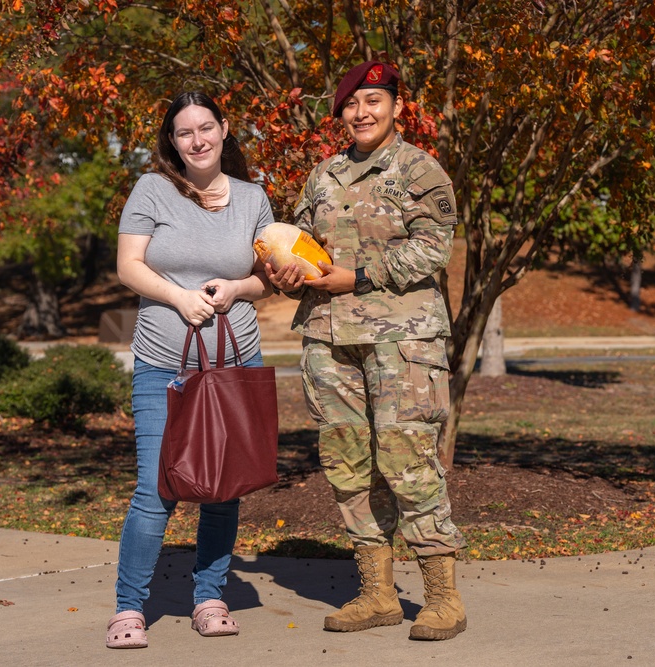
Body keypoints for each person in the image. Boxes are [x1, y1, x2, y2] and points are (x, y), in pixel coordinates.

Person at [266, 61, 467, 641]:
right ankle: (377, 593)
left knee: (408, 463)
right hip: (329, 340)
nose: (362, 113)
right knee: (347, 463)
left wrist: (356, 276)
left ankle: (441, 598)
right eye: (352, 105)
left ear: (397, 108)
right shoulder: (322, 174)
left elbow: (432, 251)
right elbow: (302, 244)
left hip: (402, 343)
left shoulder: (420, 171)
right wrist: (286, 272)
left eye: (374, 101)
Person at [107, 91, 274, 649]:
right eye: (185, 133)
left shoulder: (253, 198)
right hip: (163, 365)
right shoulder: (152, 189)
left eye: (206, 128)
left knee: (224, 490)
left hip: (237, 362)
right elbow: (129, 266)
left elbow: (267, 278)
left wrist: (236, 288)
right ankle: (129, 609)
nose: (197, 140)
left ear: (225, 130)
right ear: (173, 142)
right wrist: (180, 299)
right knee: (156, 489)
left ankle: (210, 596)